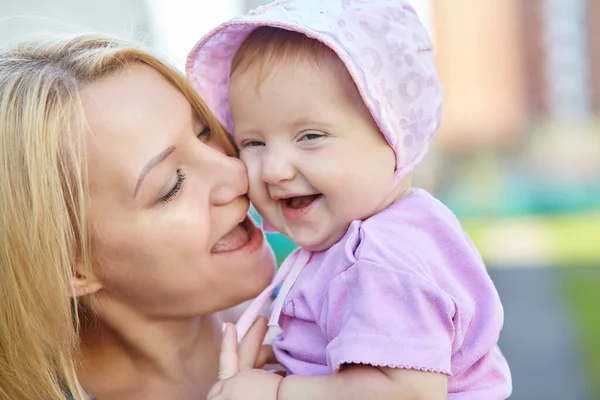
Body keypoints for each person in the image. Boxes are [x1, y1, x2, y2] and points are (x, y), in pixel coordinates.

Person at [186, 0, 512, 398]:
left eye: (310, 136)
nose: (273, 170)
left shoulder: (382, 256)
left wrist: (276, 393)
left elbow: (406, 393)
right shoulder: (365, 239)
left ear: (394, 136)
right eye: (252, 142)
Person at [0, 33, 276, 400]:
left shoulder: (341, 279)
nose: (237, 173)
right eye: (171, 186)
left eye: (205, 132)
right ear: (72, 268)